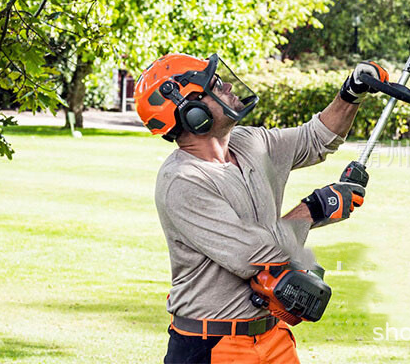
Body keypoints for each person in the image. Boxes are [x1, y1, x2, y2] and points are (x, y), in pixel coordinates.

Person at [134, 52, 387, 364]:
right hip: (212, 344)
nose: (227, 85)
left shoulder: (248, 142)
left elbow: (316, 137)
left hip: (272, 334)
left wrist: (352, 91)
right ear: (192, 113)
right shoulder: (183, 181)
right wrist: (316, 208)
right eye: (214, 84)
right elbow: (255, 256)